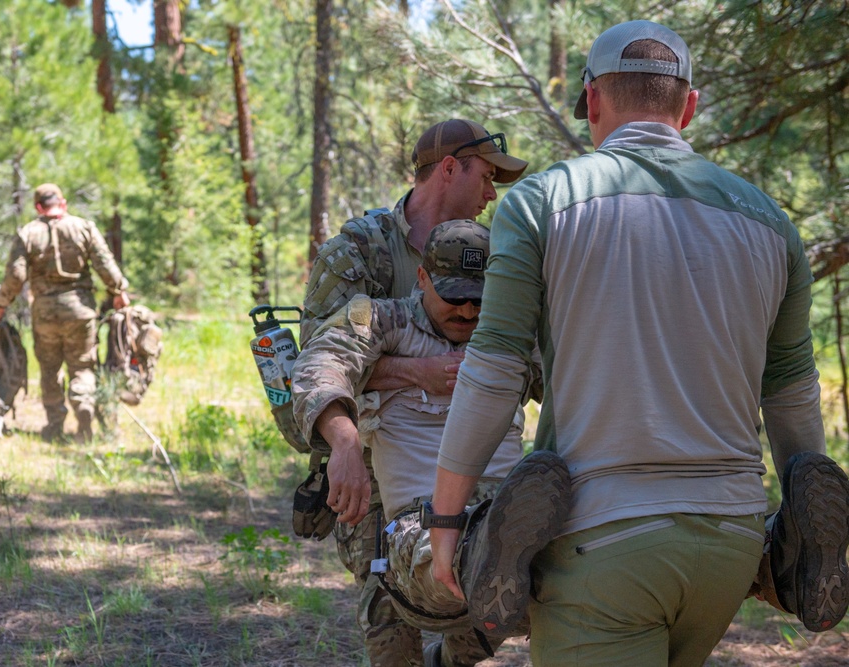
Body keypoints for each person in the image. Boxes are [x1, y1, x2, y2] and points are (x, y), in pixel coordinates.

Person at [426, 19, 849, 667]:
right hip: (730, 542)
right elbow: (792, 392)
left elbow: (495, 368)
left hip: (602, 541)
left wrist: (447, 520)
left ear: (593, 101)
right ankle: (793, 552)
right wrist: (803, 508)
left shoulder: (543, 203)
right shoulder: (769, 221)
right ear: (690, 106)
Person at [299, 119, 528, 665]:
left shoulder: (496, 256)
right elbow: (313, 367)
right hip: (379, 462)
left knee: (494, 586)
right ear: (450, 168)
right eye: (487, 176)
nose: (493, 193)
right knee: (392, 606)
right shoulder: (361, 252)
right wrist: (416, 374)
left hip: (475, 452)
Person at [0, 183, 130, 443]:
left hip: (44, 313)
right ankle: (85, 409)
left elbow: (16, 275)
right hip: (80, 309)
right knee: (82, 366)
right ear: (63, 203)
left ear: (38, 207)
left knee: (49, 368)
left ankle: (54, 426)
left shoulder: (28, 233)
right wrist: (118, 290)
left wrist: (0, 305)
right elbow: (104, 262)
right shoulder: (83, 227)